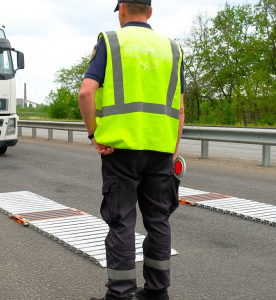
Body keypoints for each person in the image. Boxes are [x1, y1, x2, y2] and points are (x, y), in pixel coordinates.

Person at [79, 1, 185, 299]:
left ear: (122, 9)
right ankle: (157, 292)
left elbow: (86, 92)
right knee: (158, 221)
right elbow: (180, 108)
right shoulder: (173, 49)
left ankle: (121, 293)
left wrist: (94, 133)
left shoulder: (111, 41)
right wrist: (172, 148)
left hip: (121, 151)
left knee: (122, 222)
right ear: (150, 12)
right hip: (162, 148)